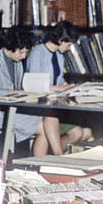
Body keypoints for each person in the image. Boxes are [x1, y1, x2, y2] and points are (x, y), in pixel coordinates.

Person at [0, 26, 53, 156]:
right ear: (11, 47)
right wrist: (8, 92)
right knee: (43, 128)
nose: (23, 57)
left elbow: (17, 88)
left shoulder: (16, 62)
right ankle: (38, 167)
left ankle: (38, 165)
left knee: (46, 120)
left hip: (11, 109)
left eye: (26, 53)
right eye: (21, 52)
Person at [25, 21, 91, 154]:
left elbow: (59, 80)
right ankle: (57, 156)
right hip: (37, 107)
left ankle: (53, 155)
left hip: (53, 104)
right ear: (61, 40)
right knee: (51, 117)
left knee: (78, 133)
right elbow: (33, 85)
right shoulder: (37, 53)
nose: (69, 48)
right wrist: (56, 88)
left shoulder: (59, 56)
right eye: (68, 44)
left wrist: (67, 87)